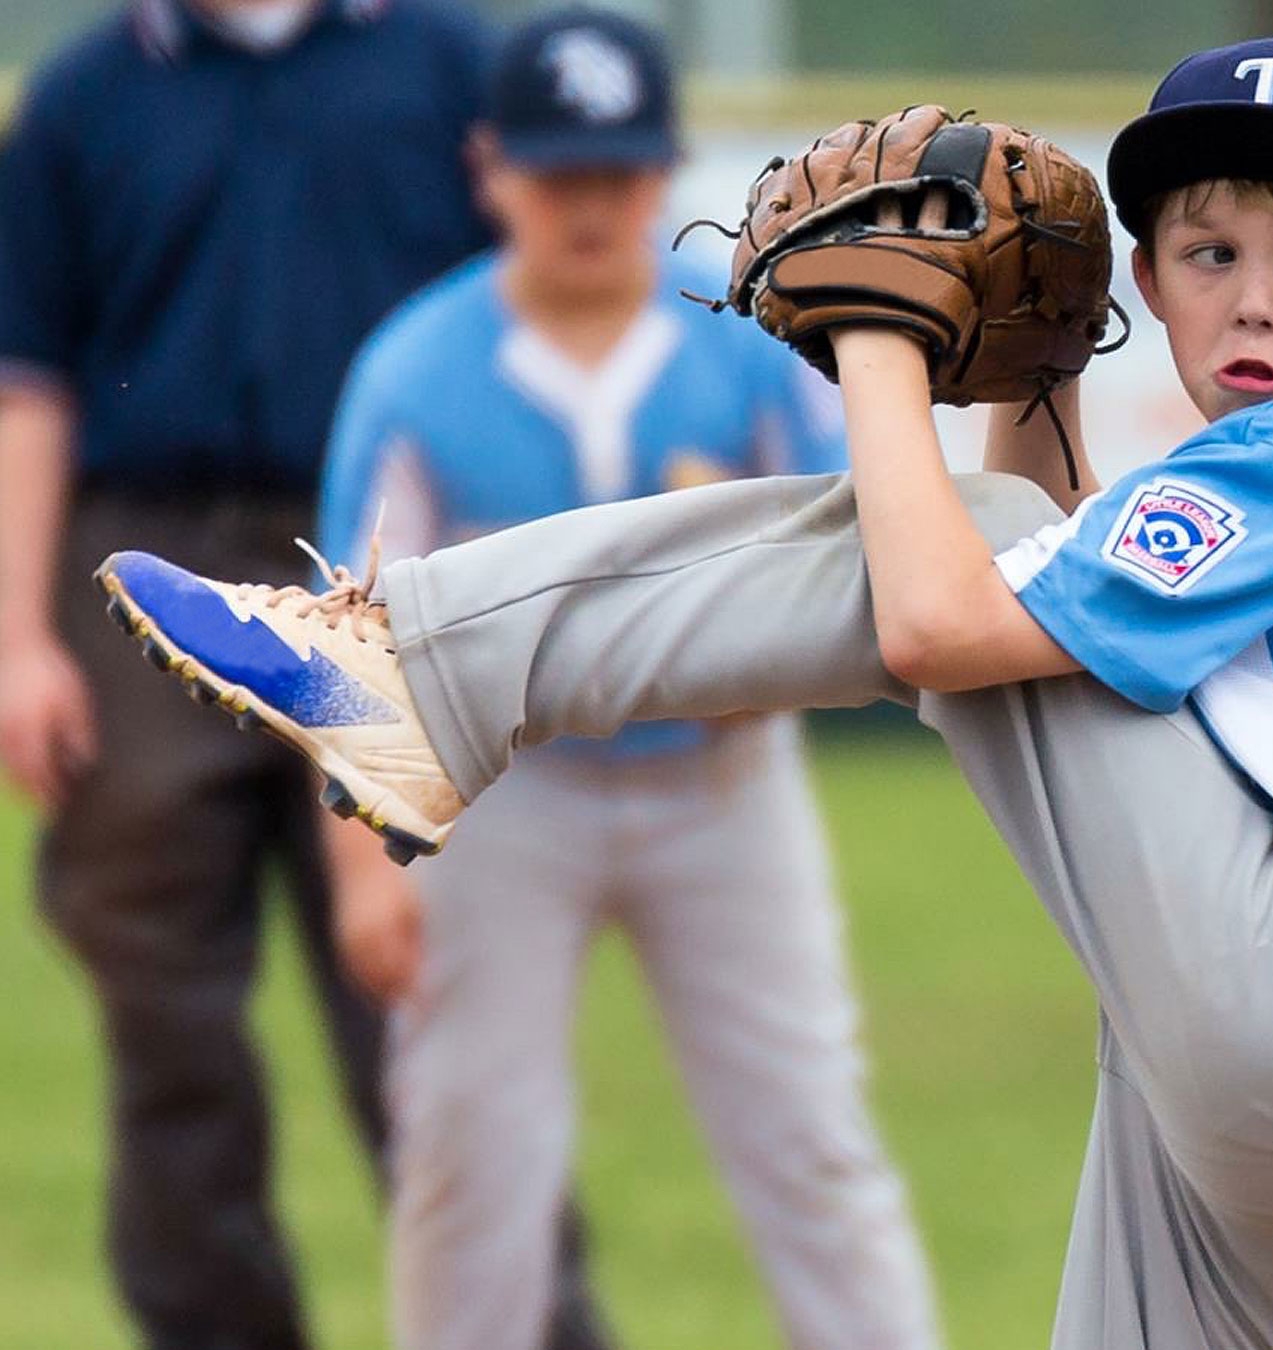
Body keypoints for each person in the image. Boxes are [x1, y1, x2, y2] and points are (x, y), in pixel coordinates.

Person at [95, 34, 1273, 1350]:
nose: (1257, 301)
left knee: (974, 550)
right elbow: (1042, 639)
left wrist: (879, 336)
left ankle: (415, 669)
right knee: (1011, 560)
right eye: (1212, 256)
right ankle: (422, 682)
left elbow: (946, 620)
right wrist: (1041, 371)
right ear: (1148, 281)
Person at [314, 11, 941, 1349]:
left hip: (723, 784)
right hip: (503, 799)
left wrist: (755, 648)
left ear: (665, 175)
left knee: (810, 1136)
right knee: (471, 1154)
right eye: (559, 174)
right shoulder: (417, 369)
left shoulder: (743, 340)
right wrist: (366, 863)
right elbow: (350, 633)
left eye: (618, 173)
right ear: (490, 169)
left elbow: (864, 545)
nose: (590, 205)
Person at [0, 2, 534, 1347]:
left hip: (385, 549)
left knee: (430, 1014)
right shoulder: (84, 98)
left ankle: (523, 1323)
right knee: (164, 1019)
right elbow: (26, 382)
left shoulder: (447, 68)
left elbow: (530, 327)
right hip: (144, 561)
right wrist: (15, 636)